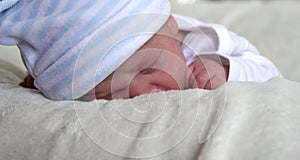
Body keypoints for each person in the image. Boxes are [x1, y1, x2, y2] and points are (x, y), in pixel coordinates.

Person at [0, 0, 281, 101]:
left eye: (148, 69)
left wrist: (228, 71)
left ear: (170, 27)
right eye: (107, 96)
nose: (141, 93)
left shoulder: (199, 45)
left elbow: (273, 80)